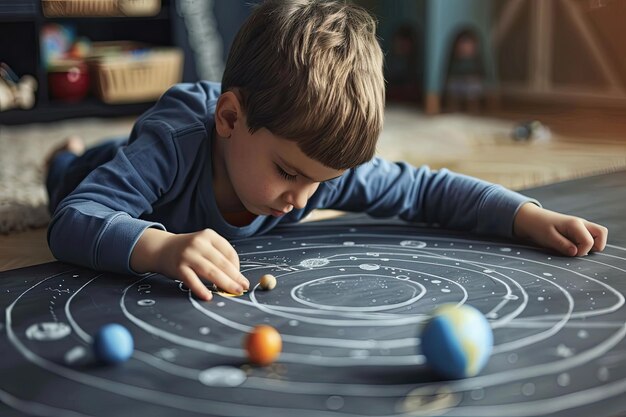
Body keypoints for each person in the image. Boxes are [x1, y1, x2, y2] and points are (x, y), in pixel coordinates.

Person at [46, 0, 608, 303]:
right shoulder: (175, 141)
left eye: (320, 181)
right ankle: (63, 157)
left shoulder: (317, 171)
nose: (300, 199)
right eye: (288, 172)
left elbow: (424, 188)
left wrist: (524, 215)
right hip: (107, 176)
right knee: (73, 176)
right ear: (231, 118)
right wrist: (158, 248)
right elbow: (76, 220)